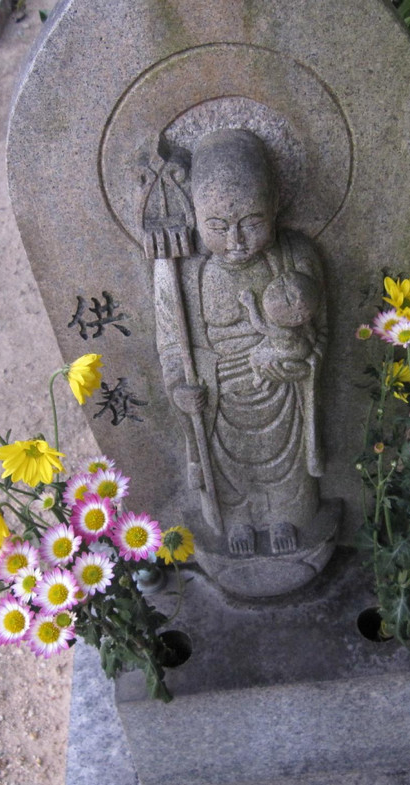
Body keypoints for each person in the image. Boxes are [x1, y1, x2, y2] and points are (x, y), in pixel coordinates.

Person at [154, 128, 326, 557]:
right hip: (219, 397)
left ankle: (286, 516)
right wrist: (180, 388)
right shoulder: (180, 273)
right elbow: (172, 347)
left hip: (282, 394)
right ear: (195, 215)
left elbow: (318, 334)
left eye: (252, 223)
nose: (236, 242)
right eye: (218, 226)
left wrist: (299, 361)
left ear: (275, 205)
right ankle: (238, 524)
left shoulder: (295, 256)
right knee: (228, 470)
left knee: (285, 470)